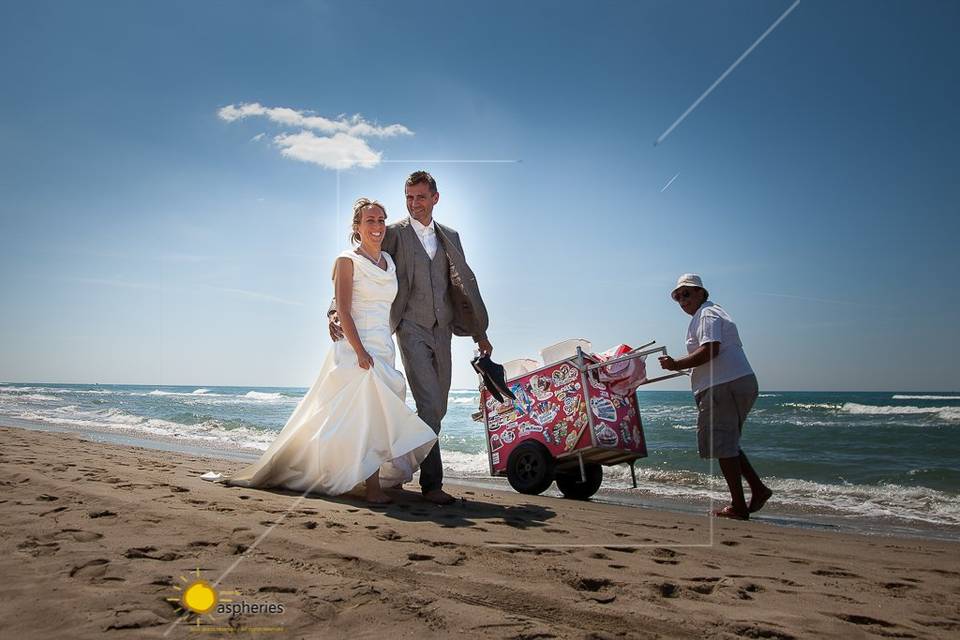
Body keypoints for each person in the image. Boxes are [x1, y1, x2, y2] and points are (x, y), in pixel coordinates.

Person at [205, 198, 438, 505]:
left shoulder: (389, 262)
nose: (378, 226)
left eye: (381, 220)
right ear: (356, 227)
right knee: (365, 416)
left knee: (377, 415)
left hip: (384, 344)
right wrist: (359, 351)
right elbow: (342, 307)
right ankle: (372, 488)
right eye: (370, 221)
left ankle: (365, 475)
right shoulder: (346, 260)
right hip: (357, 346)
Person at [329, 171, 492, 505]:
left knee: (439, 407)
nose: (414, 203)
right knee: (429, 403)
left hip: (443, 329)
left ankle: (394, 464)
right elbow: (363, 263)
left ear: (435, 198)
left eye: (420, 197)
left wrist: (479, 333)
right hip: (410, 328)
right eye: (408, 197)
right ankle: (431, 484)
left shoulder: (451, 236)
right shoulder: (394, 233)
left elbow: (464, 286)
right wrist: (335, 311)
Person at [658, 274, 772, 520]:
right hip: (735, 381)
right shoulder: (709, 313)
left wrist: (676, 363)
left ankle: (739, 507)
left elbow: (710, 349)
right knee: (728, 444)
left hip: (723, 384)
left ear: (701, 292)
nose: (682, 300)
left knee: (722, 445)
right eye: (677, 297)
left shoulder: (707, 314)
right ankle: (758, 490)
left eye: (686, 294)